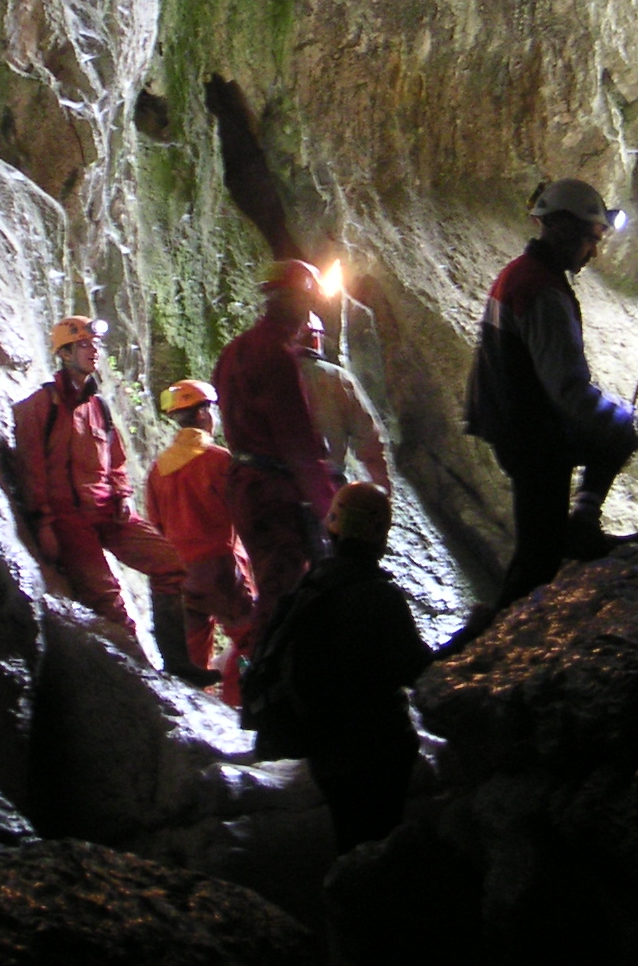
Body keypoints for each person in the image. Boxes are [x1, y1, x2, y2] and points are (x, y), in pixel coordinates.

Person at [464, 179, 638, 613]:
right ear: (565, 229)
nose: (594, 251)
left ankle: (582, 523)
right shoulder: (544, 291)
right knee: (538, 558)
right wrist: (624, 425)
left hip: (509, 417)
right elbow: (567, 389)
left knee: (540, 549)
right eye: (592, 238)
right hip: (529, 432)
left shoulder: (519, 272)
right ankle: (486, 646)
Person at [246, 482, 432, 853]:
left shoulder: (309, 589)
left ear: (331, 528)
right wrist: (471, 635)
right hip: (379, 753)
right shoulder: (379, 596)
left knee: (350, 843)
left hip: (328, 755)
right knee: (379, 846)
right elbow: (419, 672)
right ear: (381, 538)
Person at [11, 316, 200, 679]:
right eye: (84, 345)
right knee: (109, 601)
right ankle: (146, 678)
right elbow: (31, 471)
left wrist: (123, 494)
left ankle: (178, 665)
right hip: (69, 520)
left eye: (95, 345)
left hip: (109, 511)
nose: (93, 351)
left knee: (174, 564)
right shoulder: (39, 407)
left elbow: (117, 460)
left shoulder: (99, 406)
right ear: (64, 353)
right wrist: (44, 524)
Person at [213, 260, 339, 628]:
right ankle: (268, 679)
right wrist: (329, 509)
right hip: (273, 491)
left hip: (245, 485)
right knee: (285, 598)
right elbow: (297, 442)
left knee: (273, 589)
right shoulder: (276, 356)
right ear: (300, 303)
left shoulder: (234, 350)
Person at [144, 379, 254, 704]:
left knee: (191, 657)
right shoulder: (220, 461)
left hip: (179, 577)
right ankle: (237, 710)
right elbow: (246, 517)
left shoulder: (158, 470)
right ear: (204, 414)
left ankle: (193, 712)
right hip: (220, 570)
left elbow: (156, 528)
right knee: (251, 639)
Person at [294, 312, 392, 491]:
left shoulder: (266, 376)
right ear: (317, 340)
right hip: (325, 486)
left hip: (275, 488)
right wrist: (382, 497)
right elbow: (371, 443)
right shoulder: (337, 377)